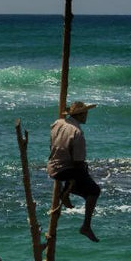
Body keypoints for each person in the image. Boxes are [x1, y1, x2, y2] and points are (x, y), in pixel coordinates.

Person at [47, 100, 102, 243]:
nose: (87, 116)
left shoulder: (57, 123)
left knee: (86, 190)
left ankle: (67, 191)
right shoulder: (77, 132)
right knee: (95, 191)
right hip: (66, 170)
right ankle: (86, 226)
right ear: (81, 115)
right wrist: (84, 171)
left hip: (52, 166)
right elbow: (78, 162)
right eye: (85, 113)